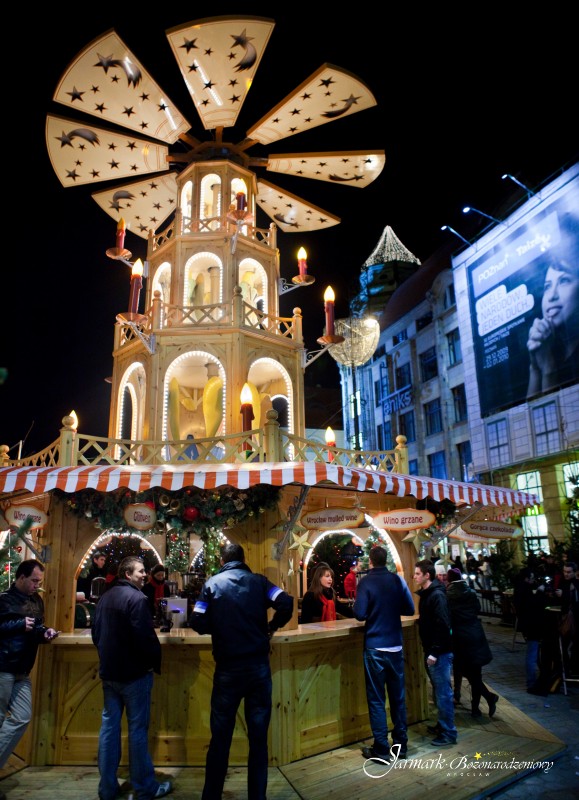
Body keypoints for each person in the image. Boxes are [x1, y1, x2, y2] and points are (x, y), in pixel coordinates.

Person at [190, 542, 293, 800]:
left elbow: (197, 620)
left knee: (220, 739)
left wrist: (220, 626)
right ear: (243, 559)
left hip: (227, 671)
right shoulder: (259, 583)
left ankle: (211, 797)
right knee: (258, 741)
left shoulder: (211, 584)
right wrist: (271, 627)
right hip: (258, 669)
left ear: (222, 561)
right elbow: (286, 602)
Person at [91, 557, 172, 800]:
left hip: (109, 673)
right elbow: (145, 638)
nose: (144, 575)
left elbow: (96, 633)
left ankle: (107, 788)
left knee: (109, 729)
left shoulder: (105, 597)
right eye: (140, 571)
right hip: (134, 674)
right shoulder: (137, 598)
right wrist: (153, 662)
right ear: (127, 574)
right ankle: (145, 788)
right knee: (137, 730)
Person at [353, 546, 415, 760]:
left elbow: (359, 614)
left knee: (377, 699)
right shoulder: (397, 580)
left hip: (375, 647)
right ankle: (401, 746)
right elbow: (410, 609)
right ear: (386, 560)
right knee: (398, 697)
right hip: (395, 646)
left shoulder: (366, 582)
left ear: (370, 561)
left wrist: (373, 609)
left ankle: (381, 748)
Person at [0, 560, 59, 771]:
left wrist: (45, 633)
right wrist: (20, 624)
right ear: (22, 577)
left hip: (23, 669)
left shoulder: (37, 601)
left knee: (22, 718)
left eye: (39, 582)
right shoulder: (4, 600)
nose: (37, 585)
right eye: (34, 581)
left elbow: (36, 628)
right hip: (4, 666)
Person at [413, 559, 458, 747]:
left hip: (439, 653)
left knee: (443, 693)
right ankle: (443, 725)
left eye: (417, 574)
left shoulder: (436, 595)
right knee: (440, 691)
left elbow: (443, 624)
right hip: (433, 650)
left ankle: (448, 732)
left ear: (427, 575)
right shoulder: (428, 594)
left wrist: (435, 651)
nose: (414, 576)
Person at [445, 568, 498, 718]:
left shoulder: (448, 596)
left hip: (460, 638)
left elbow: (448, 616)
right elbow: (477, 609)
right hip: (475, 634)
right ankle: (476, 708)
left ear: (449, 580)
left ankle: (488, 698)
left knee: (466, 671)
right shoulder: (471, 593)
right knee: (476, 673)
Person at [527, 256, 579, 397]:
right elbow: (532, 408)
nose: (551, 296)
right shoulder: (546, 347)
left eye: (564, 281)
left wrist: (548, 369)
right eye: (547, 287)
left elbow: (552, 409)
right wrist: (535, 367)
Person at [512, 566, 550, 692]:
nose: (533, 580)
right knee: (532, 654)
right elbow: (533, 605)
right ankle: (531, 683)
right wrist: (540, 592)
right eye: (532, 578)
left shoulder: (519, 588)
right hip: (532, 626)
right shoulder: (525, 589)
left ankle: (536, 679)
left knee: (533, 652)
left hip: (527, 625)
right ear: (526, 578)